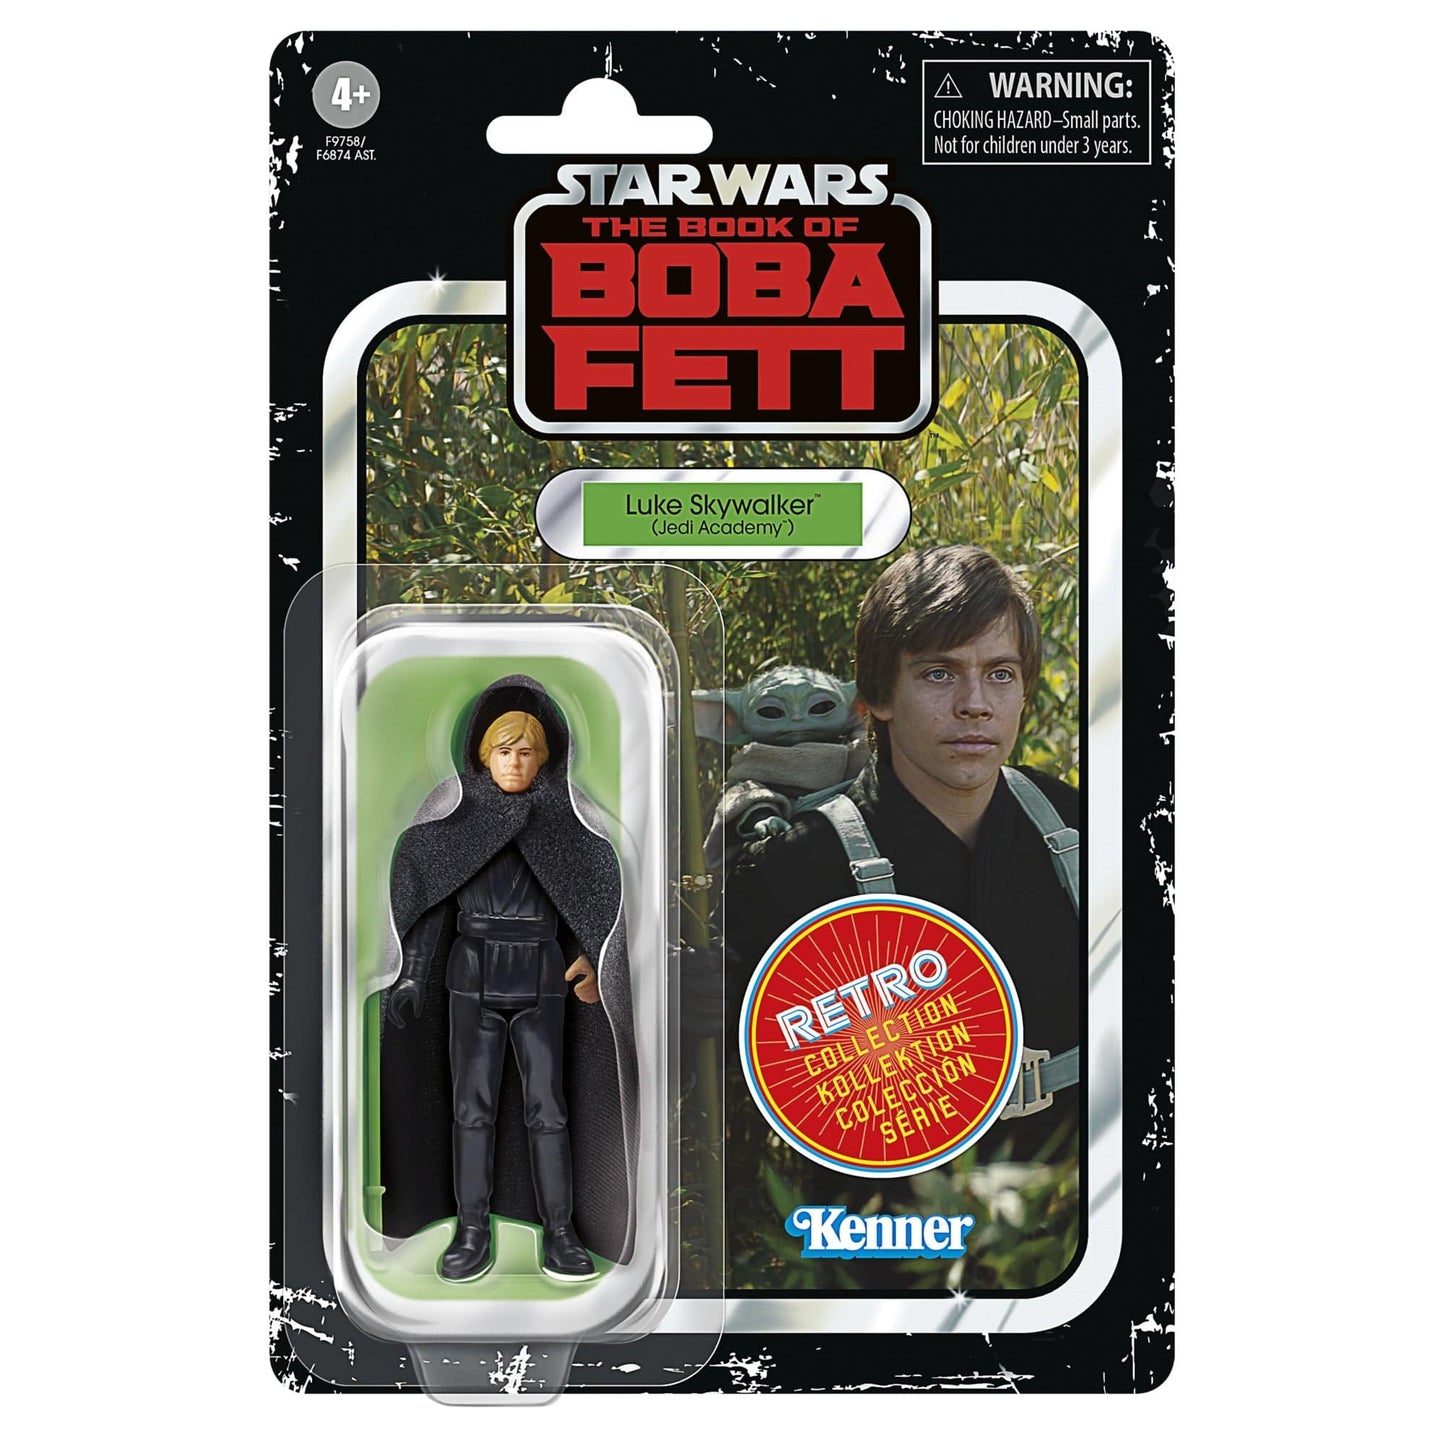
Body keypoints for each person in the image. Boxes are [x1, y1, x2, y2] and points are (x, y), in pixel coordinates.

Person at [727, 545, 1080, 1149]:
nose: (975, 704)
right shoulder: (792, 873)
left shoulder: (1083, 827)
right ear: (877, 696)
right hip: (889, 1207)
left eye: (1001, 673)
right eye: (939, 673)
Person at [382, 676, 636, 1282]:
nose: (515, 763)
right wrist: (409, 974)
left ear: (545, 757)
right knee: (471, 1113)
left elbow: (591, 902)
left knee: (548, 1111)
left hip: (542, 976)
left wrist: (592, 956)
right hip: (470, 978)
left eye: (526, 751)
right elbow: (427, 909)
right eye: (503, 751)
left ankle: (561, 1232)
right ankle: (471, 1231)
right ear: (481, 755)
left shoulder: (572, 824)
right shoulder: (450, 821)